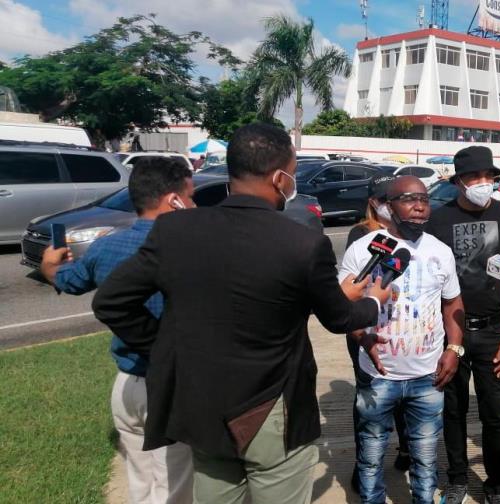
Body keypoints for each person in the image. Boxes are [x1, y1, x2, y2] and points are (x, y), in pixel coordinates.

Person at [92, 123, 388, 504]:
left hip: (202, 403)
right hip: (272, 410)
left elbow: (111, 302)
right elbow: (339, 319)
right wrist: (373, 301)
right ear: (281, 177)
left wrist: (164, 344)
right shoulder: (303, 243)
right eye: (293, 175)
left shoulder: (175, 230)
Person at [41, 157, 196, 504]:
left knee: (140, 481)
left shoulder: (106, 246)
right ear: (174, 199)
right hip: (172, 386)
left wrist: (50, 267)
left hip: (127, 385)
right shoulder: (192, 251)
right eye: (191, 195)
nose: (195, 204)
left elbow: (69, 280)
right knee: (175, 485)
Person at [339, 175, 465, 504]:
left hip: (428, 376)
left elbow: (453, 304)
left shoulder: (441, 252)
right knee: (370, 458)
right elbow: (343, 306)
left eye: (424, 199)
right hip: (378, 375)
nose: (420, 206)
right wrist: (361, 339)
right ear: (387, 206)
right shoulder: (364, 249)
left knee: (425, 459)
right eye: (409, 199)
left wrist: (453, 348)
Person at [426, 146, 500, 504]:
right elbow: (431, 281)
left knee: (494, 413)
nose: (483, 183)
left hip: (492, 330)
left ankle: (497, 481)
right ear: (459, 182)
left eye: (489, 177)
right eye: (474, 178)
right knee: (452, 410)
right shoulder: (437, 222)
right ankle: (456, 478)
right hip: (451, 328)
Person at [344, 173, 412, 492]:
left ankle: (406, 448)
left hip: (402, 327)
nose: (393, 204)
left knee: (403, 397)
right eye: (387, 199)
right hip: (365, 328)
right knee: (369, 401)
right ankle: (366, 466)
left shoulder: (412, 232)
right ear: (375, 203)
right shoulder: (362, 235)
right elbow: (353, 286)